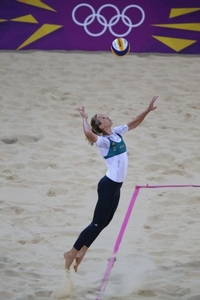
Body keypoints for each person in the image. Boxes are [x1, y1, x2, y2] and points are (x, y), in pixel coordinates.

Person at [64, 96, 158, 272]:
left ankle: (82, 251)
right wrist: (84, 118)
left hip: (116, 186)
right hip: (108, 185)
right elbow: (88, 134)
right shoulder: (104, 142)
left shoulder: (117, 133)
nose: (107, 117)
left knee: (105, 222)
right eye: (104, 117)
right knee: (96, 223)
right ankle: (71, 252)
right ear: (101, 125)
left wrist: (147, 110)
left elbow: (134, 123)